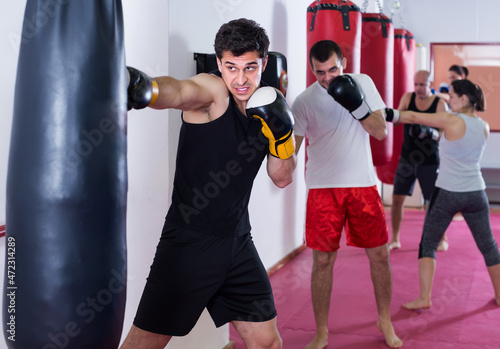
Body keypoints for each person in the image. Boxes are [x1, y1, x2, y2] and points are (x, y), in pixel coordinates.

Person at [120, 18, 296, 349]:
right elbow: (181, 91)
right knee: (142, 345)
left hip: (238, 243)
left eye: (250, 67)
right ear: (218, 63)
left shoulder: (269, 108)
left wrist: (283, 137)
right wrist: (147, 88)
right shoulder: (213, 93)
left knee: (268, 342)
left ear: (265, 63)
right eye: (231, 67)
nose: (241, 79)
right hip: (189, 243)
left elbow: (282, 177)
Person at [291, 40, 403, 349]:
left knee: (380, 255)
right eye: (320, 72)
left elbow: (380, 131)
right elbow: (292, 154)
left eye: (333, 69)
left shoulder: (363, 82)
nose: (327, 78)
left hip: (362, 185)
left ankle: (384, 320)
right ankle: (322, 331)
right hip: (322, 189)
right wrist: (273, 134)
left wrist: (358, 106)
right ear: (312, 69)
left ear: (344, 62)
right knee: (323, 261)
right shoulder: (303, 102)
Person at [385, 79, 500, 309]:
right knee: (489, 246)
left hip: (448, 193)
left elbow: (414, 117)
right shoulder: (484, 126)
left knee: (427, 244)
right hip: (477, 193)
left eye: (453, 96)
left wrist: (385, 112)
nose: (449, 100)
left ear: (464, 99)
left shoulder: (451, 120)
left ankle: (424, 298)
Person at [389, 70, 448, 251]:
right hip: (407, 158)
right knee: (397, 198)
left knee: (434, 201)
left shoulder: (439, 104)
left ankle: (441, 239)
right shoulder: (408, 98)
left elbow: (444, 133)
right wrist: (390, 113)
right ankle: (395, 239)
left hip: (430, 160)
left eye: (422, 85)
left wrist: (430, 132)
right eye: (416, 84)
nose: (418, 89)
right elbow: (397, 120)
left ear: (431, 84)